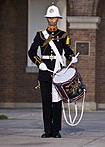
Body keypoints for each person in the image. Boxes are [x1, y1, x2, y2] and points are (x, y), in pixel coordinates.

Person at [28, 4, 77, 138]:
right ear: (47, 19)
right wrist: (39, 63)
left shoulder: (63, 35)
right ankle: (47, 130)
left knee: (57, 102)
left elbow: (67, 50)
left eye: (54, 17)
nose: (52, 19)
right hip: (45, 71)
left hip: (58, 71)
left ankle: (56, 130)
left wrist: (72, 57)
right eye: (50, 17)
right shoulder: (40, 35)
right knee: (46, 101)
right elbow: (31, 52)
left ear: (58, 19)